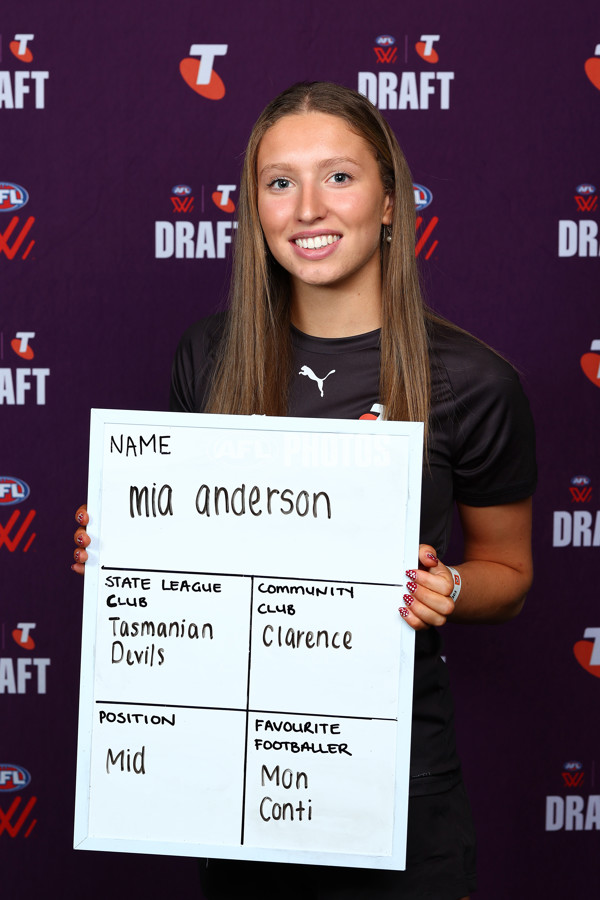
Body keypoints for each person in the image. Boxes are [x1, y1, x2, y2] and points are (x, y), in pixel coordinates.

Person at [73, 81, 536, 900]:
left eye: (340, 178)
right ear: (255, 207)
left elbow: (508, 573)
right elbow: (194, 568)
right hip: (244, 799)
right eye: (280, 181)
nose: (308, 208)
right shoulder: (208, 355)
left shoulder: (473, 381)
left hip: (400, 799)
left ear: (391, 201)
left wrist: (449, 589)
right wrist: (125, 553)